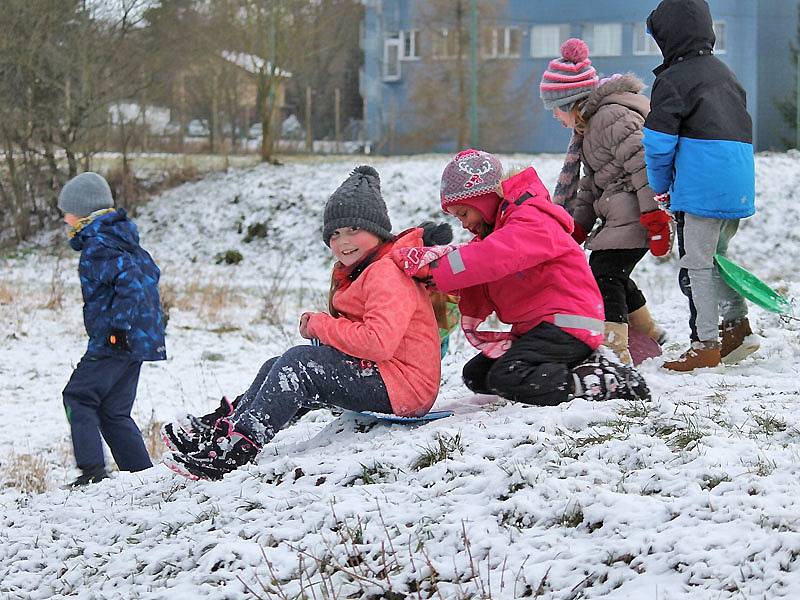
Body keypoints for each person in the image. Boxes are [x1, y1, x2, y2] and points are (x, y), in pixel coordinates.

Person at [162, 166, 447, 481]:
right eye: (335, 234)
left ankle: (237, 451)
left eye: (353, 229)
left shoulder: (384, 272)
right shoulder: (363, 270)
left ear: (377, 230)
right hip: (386, 376)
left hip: (404, 387)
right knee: (280, 364)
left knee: (299, 366)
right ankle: (223, 431)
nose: (343, 241)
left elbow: (378, 342)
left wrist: (321, 326)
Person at [393, 149, 650, 407]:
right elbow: (483, 273)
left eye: (464, 213)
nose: (463, 224)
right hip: (540, 329)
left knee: (507, 376)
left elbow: (491, 257)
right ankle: (575, 365)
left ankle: (597, 380)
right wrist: (436, 282)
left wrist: (438, 267)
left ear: (482, 200)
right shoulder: (501, 231)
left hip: (568, 325)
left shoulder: (531, 219)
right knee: (477, 376)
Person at [539, 38, 670, 365]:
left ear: (571, 102)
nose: (554, 116)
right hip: (620, 213)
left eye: (554, 108)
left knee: (604, 275)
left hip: (636, 214)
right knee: (612, 272)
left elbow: (643, 164)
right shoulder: (590, 130)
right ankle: (648, 333)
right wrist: (577, 226)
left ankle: (615, 350)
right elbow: (590, 185)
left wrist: (654, 217)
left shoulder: (610, 118)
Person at [643, 0, 757, 371]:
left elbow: (658, 145)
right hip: (737, 182)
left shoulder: (673, 80)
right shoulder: (726, 74)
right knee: (717, 258)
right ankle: (737, 328)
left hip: (702, 186)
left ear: (669, 36)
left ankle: (706, 344)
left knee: (697, 265)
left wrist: (661, 188)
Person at [59, 172, 166, 487]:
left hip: (115, 340)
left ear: (83, 212)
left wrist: (118, 329)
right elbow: (149, 274)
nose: (64, 219)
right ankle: (144, 478)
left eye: (67, 211)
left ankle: (92, 472)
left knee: (78, 396)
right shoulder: (120, 238)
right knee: (113, 411)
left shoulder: (100, 244)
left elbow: (132, 284)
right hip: (136, 340)